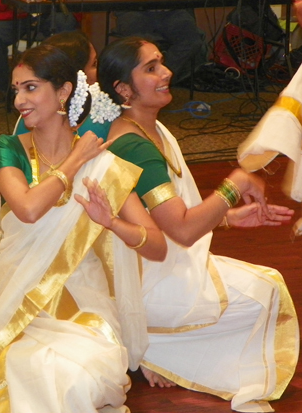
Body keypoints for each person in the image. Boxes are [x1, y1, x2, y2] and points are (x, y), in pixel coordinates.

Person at [97, 36, 299, 412]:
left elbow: (175, 219)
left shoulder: (150, 131)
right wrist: (233, 185)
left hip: (160, 265)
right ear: (123, 88)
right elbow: (183, 230)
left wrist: (229, 218)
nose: (167, 72)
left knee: (266, 289)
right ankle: (149, 345)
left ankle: (154, 348)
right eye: (151, 68)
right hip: (147, 282)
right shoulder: (133, 145)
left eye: (162, 62)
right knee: (266, 292)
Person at [0, 43, 167, 413]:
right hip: (21, 304)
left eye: (31, 87)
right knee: (35, 371)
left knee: (82, 376)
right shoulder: (8, 149)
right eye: (15, 90)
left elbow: (157, 246)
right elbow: (27, 209)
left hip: (84, 306)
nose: (19, 101)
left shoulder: (103, 166)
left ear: (62, 92)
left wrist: (113, 223)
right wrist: (74, 161)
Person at [14, 30, 115, 140]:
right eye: (94, 64)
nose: (18, 102)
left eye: (30, 87)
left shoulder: (101, 113)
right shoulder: (100, 120)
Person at [0, 0, 79, 99]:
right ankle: (9, 90)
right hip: (17, 13)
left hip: (53, 11)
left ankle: (61, 88)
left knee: (65, 22)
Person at [114, 9, 208, 85]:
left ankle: (161, 78)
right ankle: (139, 82)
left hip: (171, 11)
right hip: (135, 10)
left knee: (191, 40)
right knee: (138, 44)